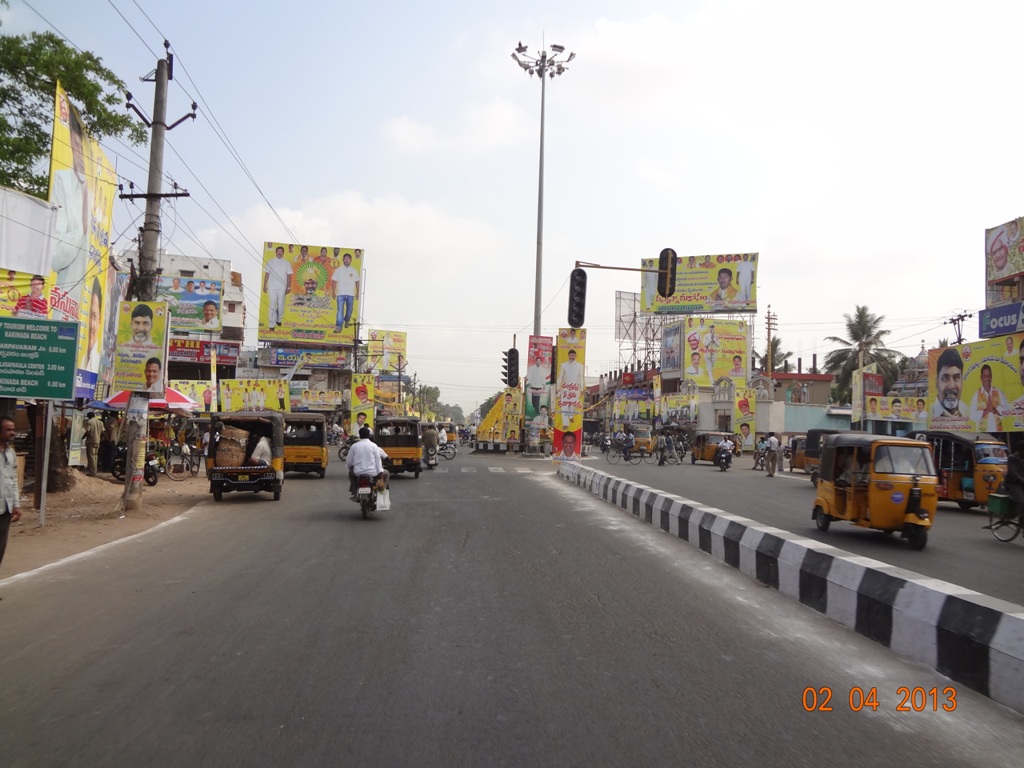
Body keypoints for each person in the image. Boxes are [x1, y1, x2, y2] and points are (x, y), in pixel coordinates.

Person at [0, 416, 23, 570]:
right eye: (8, 430)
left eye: (13, 429)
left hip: (5, 508)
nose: (12, 432)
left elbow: (13, 480)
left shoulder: (11, 453)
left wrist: (16, 504)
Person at [347, 426, 383, 499]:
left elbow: (349, 461)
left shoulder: (354, 446)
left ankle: (354, 492)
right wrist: (380, 473)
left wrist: (350, 467)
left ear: (360, 436)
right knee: (385, 474)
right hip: (372, 472)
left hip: (358, 472)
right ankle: (379, 492)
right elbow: (378, 460)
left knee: (351, 473)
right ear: (369, 435)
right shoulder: (374, 446)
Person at [932, 347, 969, 418]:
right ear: (937, 383)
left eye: (956, 378)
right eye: (945, 378)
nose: (951, 386)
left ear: (962, 382)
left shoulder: (970, 414)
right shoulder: (928, 414)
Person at [970, 363, 1005, 432]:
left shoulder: (999, 392)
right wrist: (986, 411)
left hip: (999, 432)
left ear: (991, 376)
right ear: (981, 377)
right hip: (983, 433)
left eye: (989, 375)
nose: (987, 378)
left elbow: (1006, 411)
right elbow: (972, 416)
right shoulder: (976, 395)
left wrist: (994, 410)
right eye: (985, 376)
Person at [556, 348, 585, 431]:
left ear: (575, 356)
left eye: (573, 355)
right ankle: (565, 424)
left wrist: (582, 389)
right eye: (570, 355)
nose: (572, 357)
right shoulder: (563, 365)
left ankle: (571, 416)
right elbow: (560, 376)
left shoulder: (580, 366)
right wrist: (558, 388)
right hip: (565, 388)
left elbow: (581, 377)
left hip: (575, 389)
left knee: (572, 405)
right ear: (568, 356)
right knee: (564, 406)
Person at [263, 245, 292, 327]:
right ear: (275, 252)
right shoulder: (270, 262)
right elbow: (267, 274)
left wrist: (289, 287)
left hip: (282, 287)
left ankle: (279, 319)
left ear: (283, 253)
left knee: (280, 305)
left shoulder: (286, 263)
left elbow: (289, 276)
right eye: (278, 251)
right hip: (272, 287)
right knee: (272, 305)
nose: (279, 253)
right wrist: (264, 285)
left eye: (281, 252)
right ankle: (271, 324)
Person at [332, 252, 358, 331]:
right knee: (340, 310)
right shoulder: (339, 270)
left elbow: (357, 282)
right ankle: (339, 326)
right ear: (343, 260)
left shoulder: (354, 271)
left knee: (349, 310)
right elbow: (334, 281)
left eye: (348, 259)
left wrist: (357, 292)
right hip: (340, 294)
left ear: (351, 260)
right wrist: (333, 291)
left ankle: (347, 320)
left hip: (350, 294)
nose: (347, 260)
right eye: (345, 259)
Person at [82, 279, 102, 371]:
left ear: (99, 320)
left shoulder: (100, 363)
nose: (91, 324)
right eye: (89, 316)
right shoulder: (78, 359)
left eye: (94, 316)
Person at [1003, 442, 1024, 519]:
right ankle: (1022, 519)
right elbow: (1013, 473)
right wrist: (1022, 480)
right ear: (1020, 450)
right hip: (1013, 484)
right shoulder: (1012, 458)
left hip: (1022, 484)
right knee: (1022, 502)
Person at [84, 411, 103, 476]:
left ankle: (92, 471)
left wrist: (82, 437)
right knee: (95, 456)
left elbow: (87, 431)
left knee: (91, 456)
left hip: (91, 441)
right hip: (98, 441)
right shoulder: (100, 422)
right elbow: (103, 432)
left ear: (89, 416)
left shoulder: (89, 422)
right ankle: (94, 470)